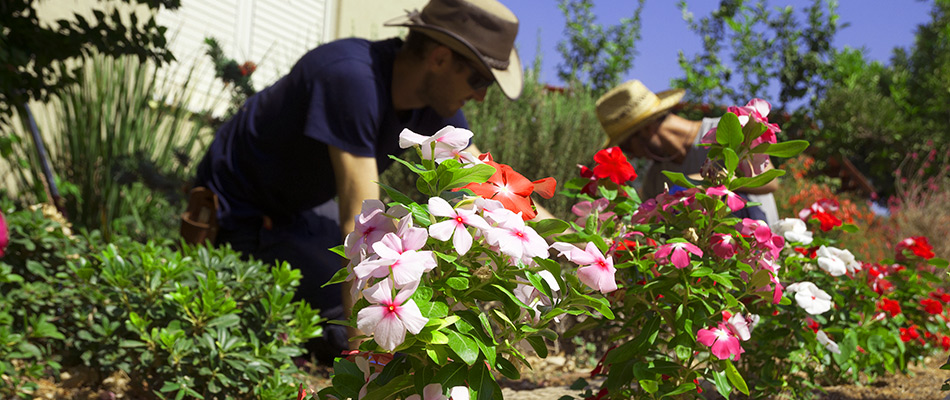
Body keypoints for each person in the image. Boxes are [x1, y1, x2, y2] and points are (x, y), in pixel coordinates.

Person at [182, 0, 524, 364]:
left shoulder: (432, 102)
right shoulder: (349, 78)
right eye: (480, 79)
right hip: (241, 215)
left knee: (399, 303)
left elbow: (487, 180)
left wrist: (561, 241)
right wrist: (368, 359)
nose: (481, 96)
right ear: (439, 59)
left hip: (300, 208)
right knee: (354, 316)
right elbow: (364, 224)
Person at [594, 80, 779, 225]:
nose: (633, 156)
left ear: (646, 130)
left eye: (627, 148)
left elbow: (770, 181)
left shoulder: (726, 129)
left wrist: (692, 185)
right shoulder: (655, 179)